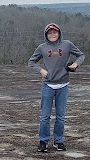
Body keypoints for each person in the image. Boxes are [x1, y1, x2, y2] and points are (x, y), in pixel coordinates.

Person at [27, 23, 85, 152]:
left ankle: (58, 141)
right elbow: (31, 61)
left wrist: (75, 64)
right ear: (46, 35)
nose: (52, 35)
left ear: (59, 33)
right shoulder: (42, 48)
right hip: (47, 85)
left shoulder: (67, 44)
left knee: (60, 116)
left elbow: (81, 55)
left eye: (55, 32)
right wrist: (41, 70)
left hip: (63, 85)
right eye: (50, 33)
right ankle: (43, 141)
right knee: (45, 116)